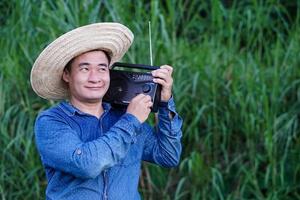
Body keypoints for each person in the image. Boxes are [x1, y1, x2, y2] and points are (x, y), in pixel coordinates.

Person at [31, 22, 182, 200]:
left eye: (102, 69)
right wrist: (131, 120)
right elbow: (87, 165)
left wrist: (165, 103)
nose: (95, 78)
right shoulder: (51, 121)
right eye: (85, 68)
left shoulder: (123, 115)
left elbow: (168, 156)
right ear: (67, 75)